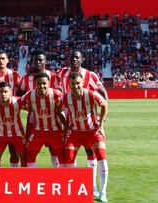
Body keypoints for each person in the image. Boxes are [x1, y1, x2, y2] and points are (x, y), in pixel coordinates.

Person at [55, 50, 109, 195]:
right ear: (68, 59)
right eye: (72, 57)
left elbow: (103, 92)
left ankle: (94, 187)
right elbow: (57, 89)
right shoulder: (60, 73)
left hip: (87, 119)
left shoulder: (90, 75)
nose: (74, 60)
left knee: (90, 152)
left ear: (82, 59)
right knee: (67, 154)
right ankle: (74, 187)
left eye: (77, 58)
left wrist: (102, 118)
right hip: (70, 120)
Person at [19, 49, 61, 167]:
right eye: (35, 60)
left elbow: (60, 95)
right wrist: (28, 107)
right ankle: (32, 178)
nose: (37, 62)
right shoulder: (26, 78)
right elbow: (20, 94)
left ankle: (58, 175)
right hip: (33, 120)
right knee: (31, 150)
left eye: (40, 60)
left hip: (53, 119)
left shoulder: (53, 76)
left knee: (55, 150)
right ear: (31, 62)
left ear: (45, 61)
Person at [21, 72, 66, 168]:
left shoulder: (56, 94)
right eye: (39, 83)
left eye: (44, 83)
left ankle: (61, 179)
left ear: (49, 83)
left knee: (62, 156)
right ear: (35, 84)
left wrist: (65, 124)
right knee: (29, 155)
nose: (42, 86)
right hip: (38, 131)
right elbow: (19, 103)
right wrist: (29, 108)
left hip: (55, 131)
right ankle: (35, 179)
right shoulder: (30, 94)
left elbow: (65, 107)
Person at [0, 82, 27, 167]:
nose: (3, 94)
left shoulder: (18, 101)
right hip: (1, 133)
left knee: (24, 158)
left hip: (17, 133)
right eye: (1, 92)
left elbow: (30, 107)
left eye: (6, 92)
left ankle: (23, 178)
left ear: (10, 92)